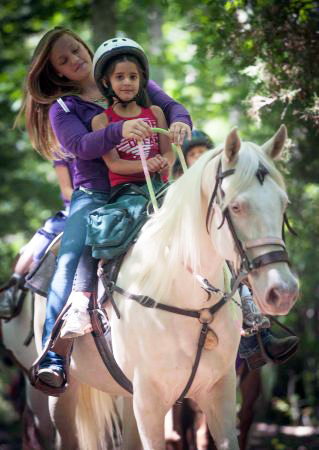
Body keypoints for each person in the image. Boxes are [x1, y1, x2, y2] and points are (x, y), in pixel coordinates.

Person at [17, 27, 192, 390]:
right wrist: (120, 130)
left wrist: (179, 123)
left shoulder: (127, 81)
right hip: (96, 192)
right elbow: (80, 145)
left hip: (149, 185)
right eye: (64, 61)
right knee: (70, 256)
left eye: (76, 50)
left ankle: (248, 319)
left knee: (207, 222)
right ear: (58, 73)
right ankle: (54, 352)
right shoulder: (62, 107)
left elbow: (173, 107)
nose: (75, 60)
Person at [60, 37, 175, 338]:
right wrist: (144, 166)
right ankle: (81, 303)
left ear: (141, 81)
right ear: (107, 83)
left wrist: (164, 160)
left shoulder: (157, 115)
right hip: (125, 192)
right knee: (97, 231)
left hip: (160, 188)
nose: (127, 82)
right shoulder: (102, 121)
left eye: (133, 77)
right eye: (120, 77)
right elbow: (114, 165)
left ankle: (244, 301)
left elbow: (169, 152)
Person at [0, 159, 75, 319]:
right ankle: (13, 287)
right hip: (78, 205)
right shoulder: (62, 152)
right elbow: (66, 190)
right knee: (49, 231)